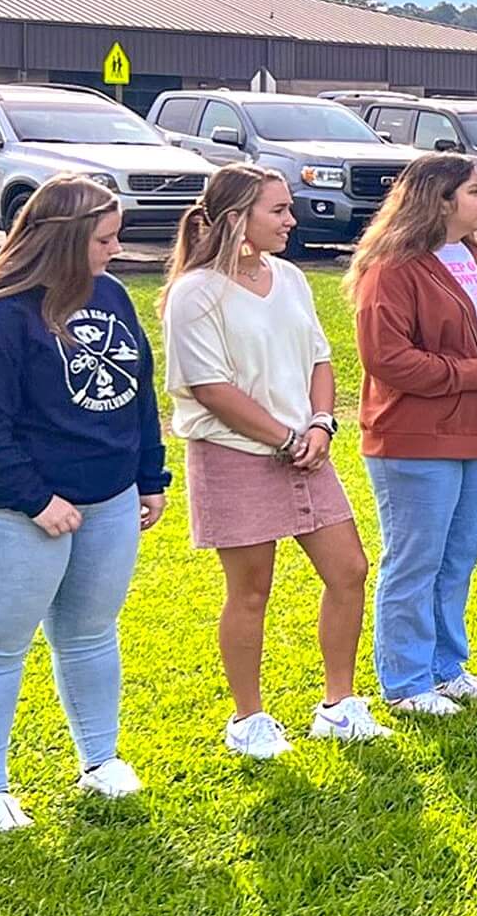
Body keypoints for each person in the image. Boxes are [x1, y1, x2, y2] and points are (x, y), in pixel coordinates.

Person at [0, 177, 169, 832]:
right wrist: (36, 500)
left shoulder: (112, 295)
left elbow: (136, 390)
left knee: (92, 631)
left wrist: (149, 475)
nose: (116, 250)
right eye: (103, 238)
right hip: (9, 503)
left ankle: (100, 759)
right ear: (62, 241)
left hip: (108, 494)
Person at [162, 165, 390, 758]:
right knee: (251, 591)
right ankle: (249, 719)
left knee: (349, 570)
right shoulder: (195, 293)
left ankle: (338, 705)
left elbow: (319, 358)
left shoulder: (289, 277)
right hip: (235, 453)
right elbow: (209, 387)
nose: (292, 220)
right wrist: (286, 438)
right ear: (238, 218)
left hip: (306, 451)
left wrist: (318, 424)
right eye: (279, 210)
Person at [347, 153, 477, 716]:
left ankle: (448, 667)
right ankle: (405, 680)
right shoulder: (393, 267)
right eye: (473, 191)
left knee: (458, 557)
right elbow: (387, 358)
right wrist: (474, 374)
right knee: (415, 560)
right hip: (414, 438)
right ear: (439, 199)